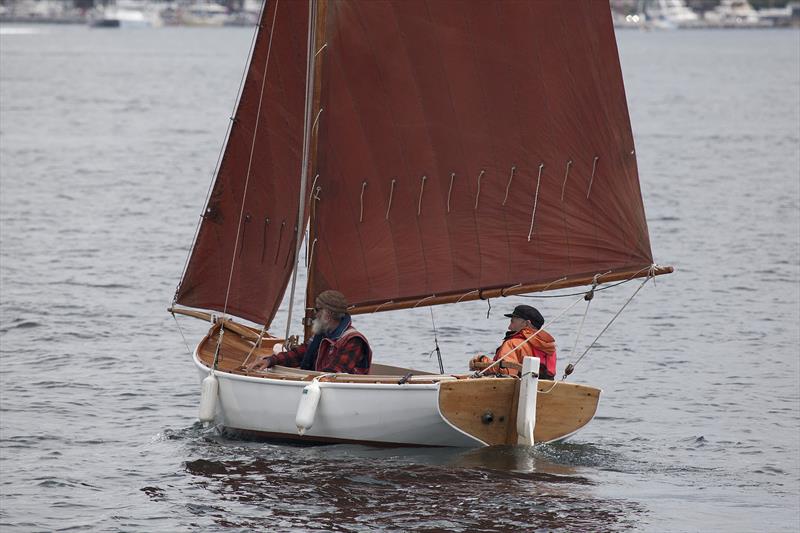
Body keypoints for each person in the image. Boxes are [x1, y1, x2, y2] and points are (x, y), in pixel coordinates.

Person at [246, 290, 372, 374]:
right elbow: (299, 354)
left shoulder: (353, 341)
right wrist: (270, 361)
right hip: (318, 388)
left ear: (327, 315)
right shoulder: (322, 335)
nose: (314, 314)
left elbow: (333, 374)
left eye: (317, 309)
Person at [469, 304, 557, 380]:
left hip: (518, 392)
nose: (509, 327)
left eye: (512, 321)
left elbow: (506, 372)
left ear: (526, 323)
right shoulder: (549, 346)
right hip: (544, 391)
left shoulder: (513, 343)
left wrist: (481, 361)